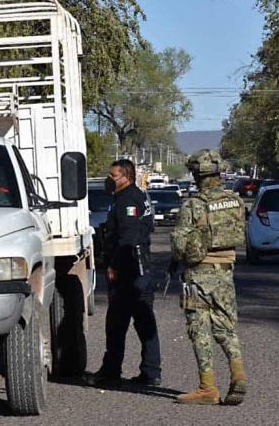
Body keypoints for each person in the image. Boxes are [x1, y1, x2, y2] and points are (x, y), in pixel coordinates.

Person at [168, 149, 247, 405]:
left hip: (198, 277)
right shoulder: (235, 201)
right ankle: (238, 375)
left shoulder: (193, 205)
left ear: (195, 175)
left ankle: (208, 388)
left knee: (199, 329)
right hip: (226, 274)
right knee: (226, 329)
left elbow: (180, 246)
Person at [85, 159, 162, 387]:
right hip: (141, 266)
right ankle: (151, 371)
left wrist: (115, 266)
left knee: (118, 323)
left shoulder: (128, 199)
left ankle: (111, 372)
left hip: (130, 269)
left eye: (113, 175)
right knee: (144, 320)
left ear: (125, 176)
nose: (109, 179)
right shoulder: (135, 196)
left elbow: (128, 238)